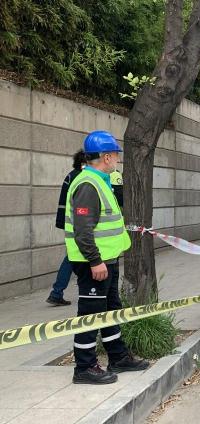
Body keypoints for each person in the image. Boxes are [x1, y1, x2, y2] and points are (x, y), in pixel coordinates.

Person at [66, 130, 149, 384]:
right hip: (93, 264)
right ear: (106, 156)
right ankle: (84, 367)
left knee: (110, 310)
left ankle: (117, 356)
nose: (118, 160)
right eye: (116, 155)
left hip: (106, 261)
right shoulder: (88, 184)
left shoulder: (100, 180)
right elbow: (83, 230)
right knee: (90, 314)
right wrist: (95, 261)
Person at [46, 150, 87, 306]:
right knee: (72, 256)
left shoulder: (72, 174)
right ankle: (57, 292)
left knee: (74, 255)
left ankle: (58, 292)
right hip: (76, 223)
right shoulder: (81, 177)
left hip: (69, 221)